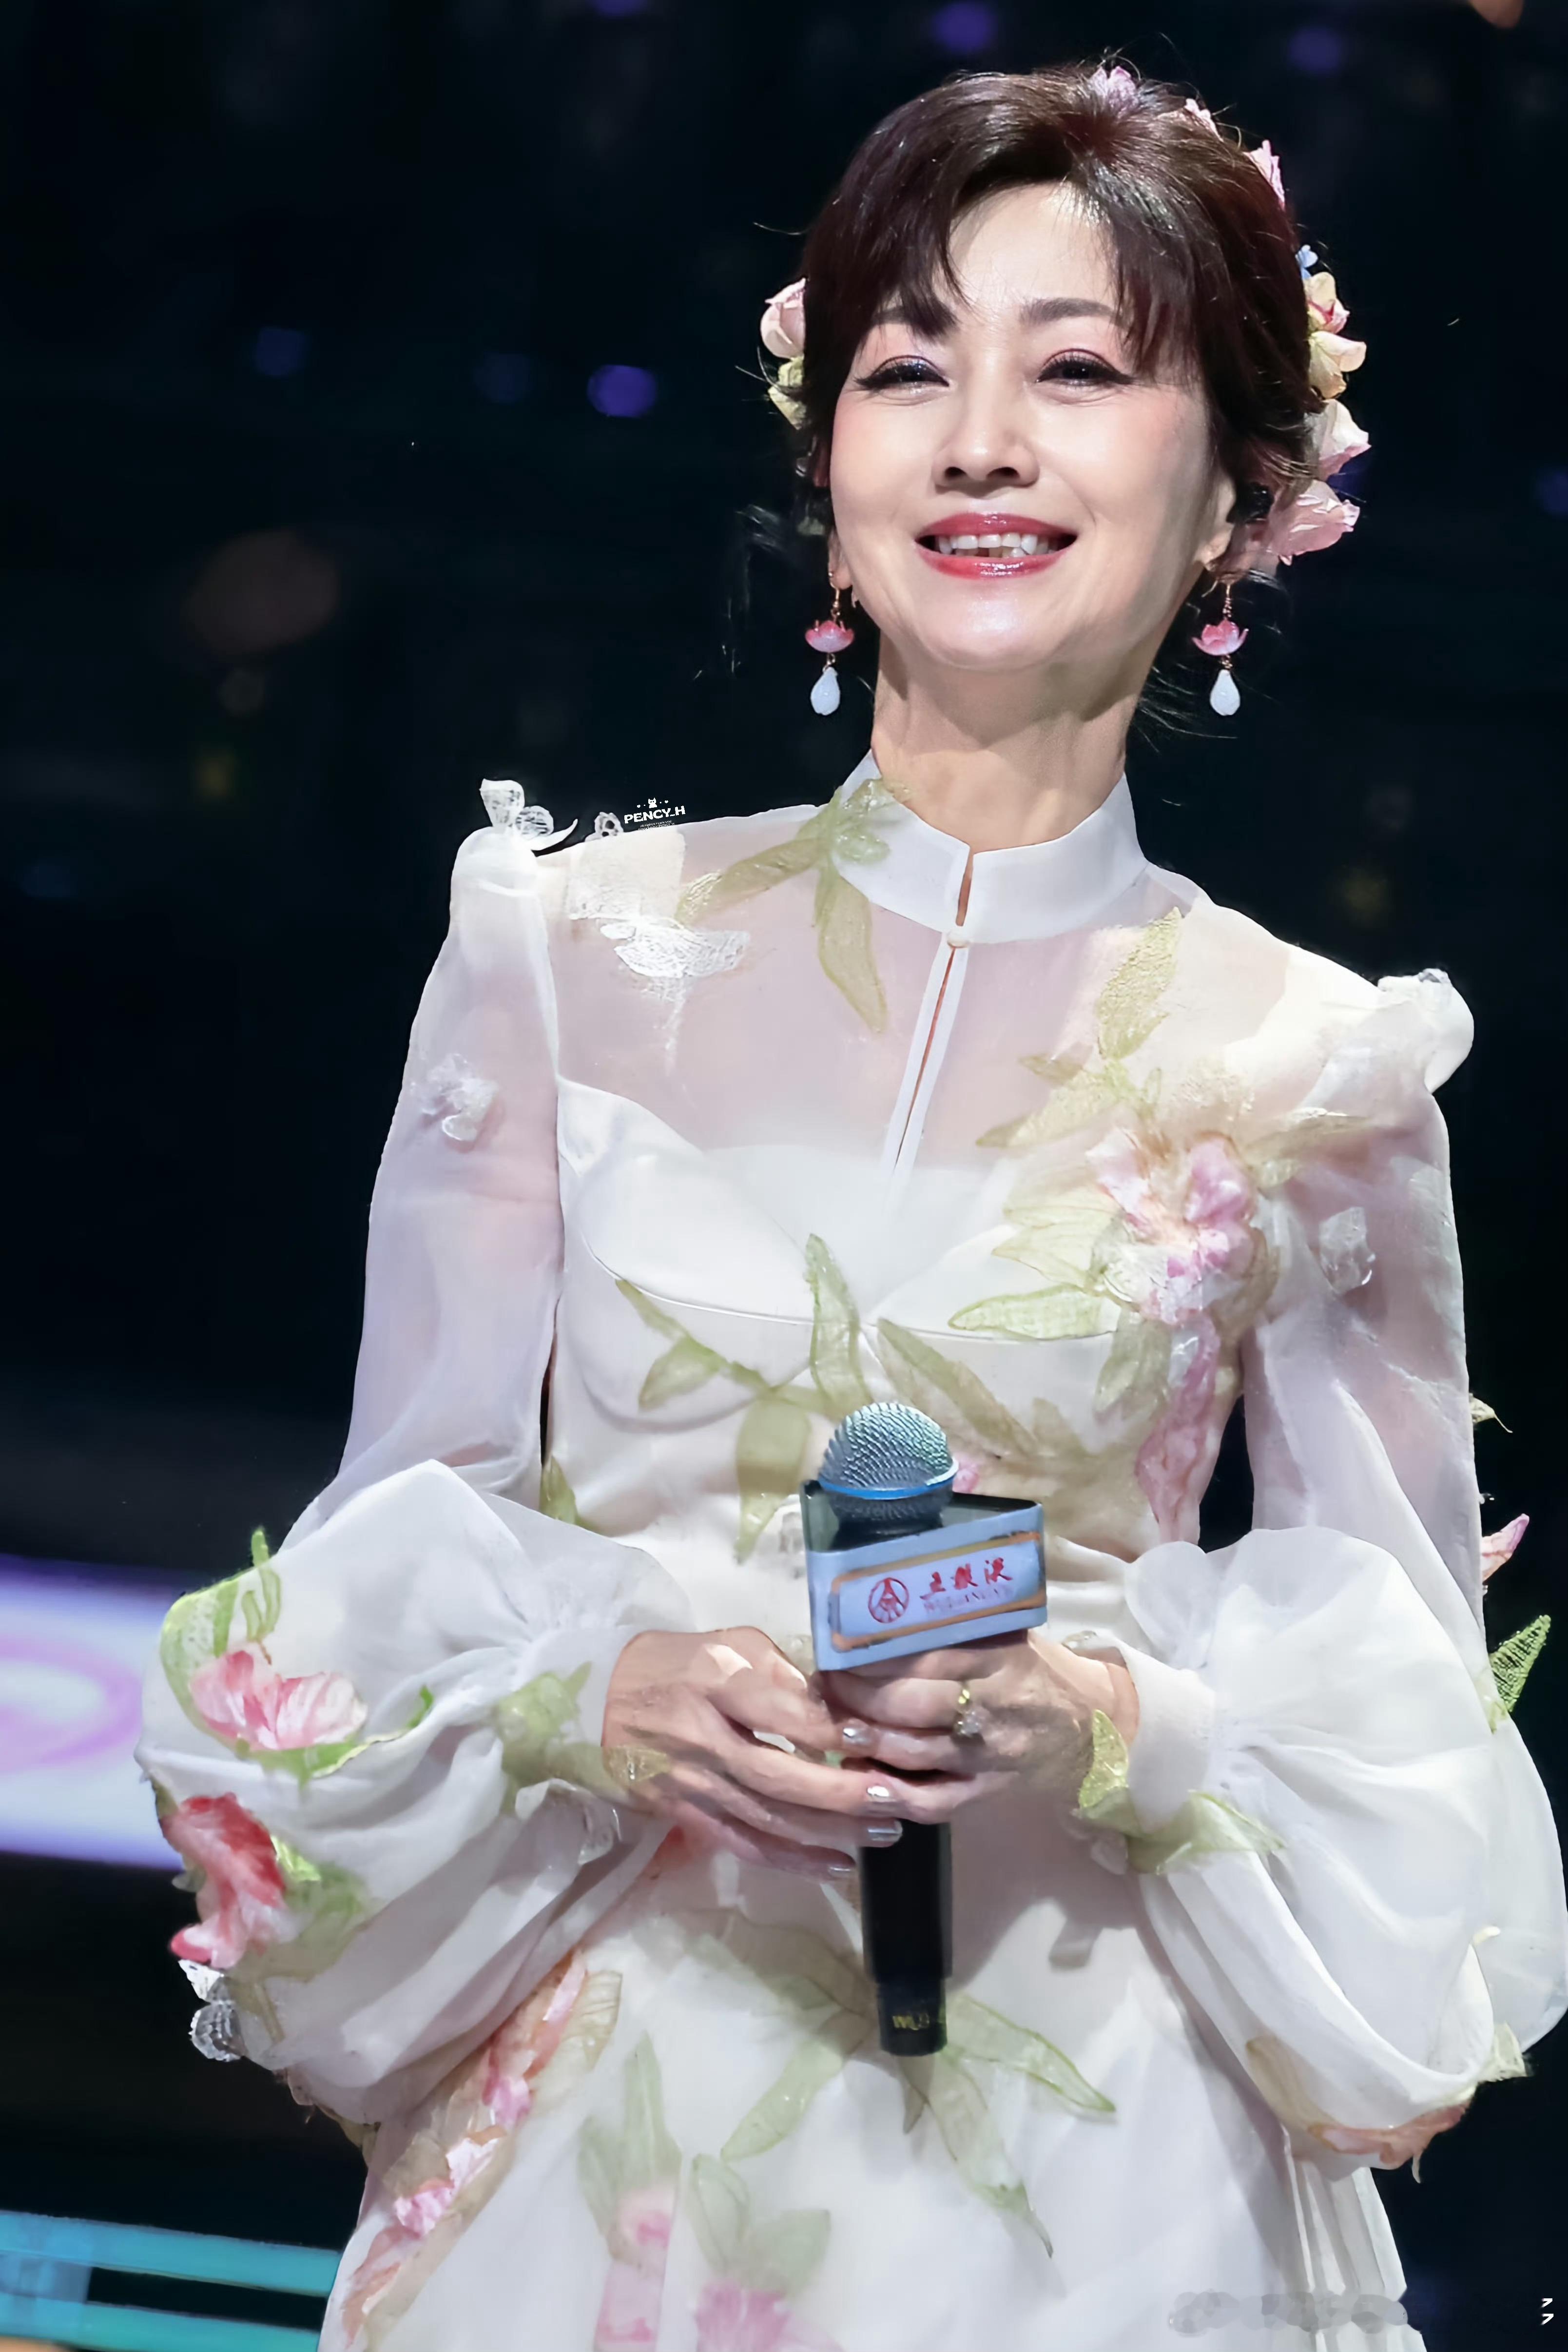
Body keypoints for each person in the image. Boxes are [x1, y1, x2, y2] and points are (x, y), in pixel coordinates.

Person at [138, 60, 1567, 2352]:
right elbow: (384, 1551)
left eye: (1076, 370)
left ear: (1242, 492)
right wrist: (591, 1691)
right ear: (829, 481)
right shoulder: (563, 952)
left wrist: (1107, 1715)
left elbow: (1399, 1711)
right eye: (909, 369)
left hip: (1096, 2140)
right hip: (622, 2078)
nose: (979, 440)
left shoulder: (1318, 1066)